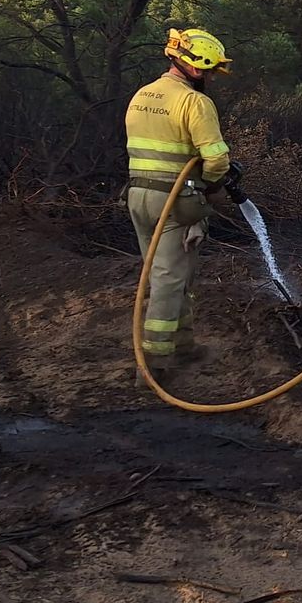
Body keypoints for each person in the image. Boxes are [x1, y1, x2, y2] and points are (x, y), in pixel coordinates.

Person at [125, 28, 238, 382]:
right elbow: (217, 158)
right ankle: (155, 365)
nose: (208, 78)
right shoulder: (194, 102)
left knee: (165, 272)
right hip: (173, 202)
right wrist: (210, 185)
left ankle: (185, 345)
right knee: (169, 280)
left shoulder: (142, 94)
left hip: (137, 197)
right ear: (195, 65)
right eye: (207, 70)